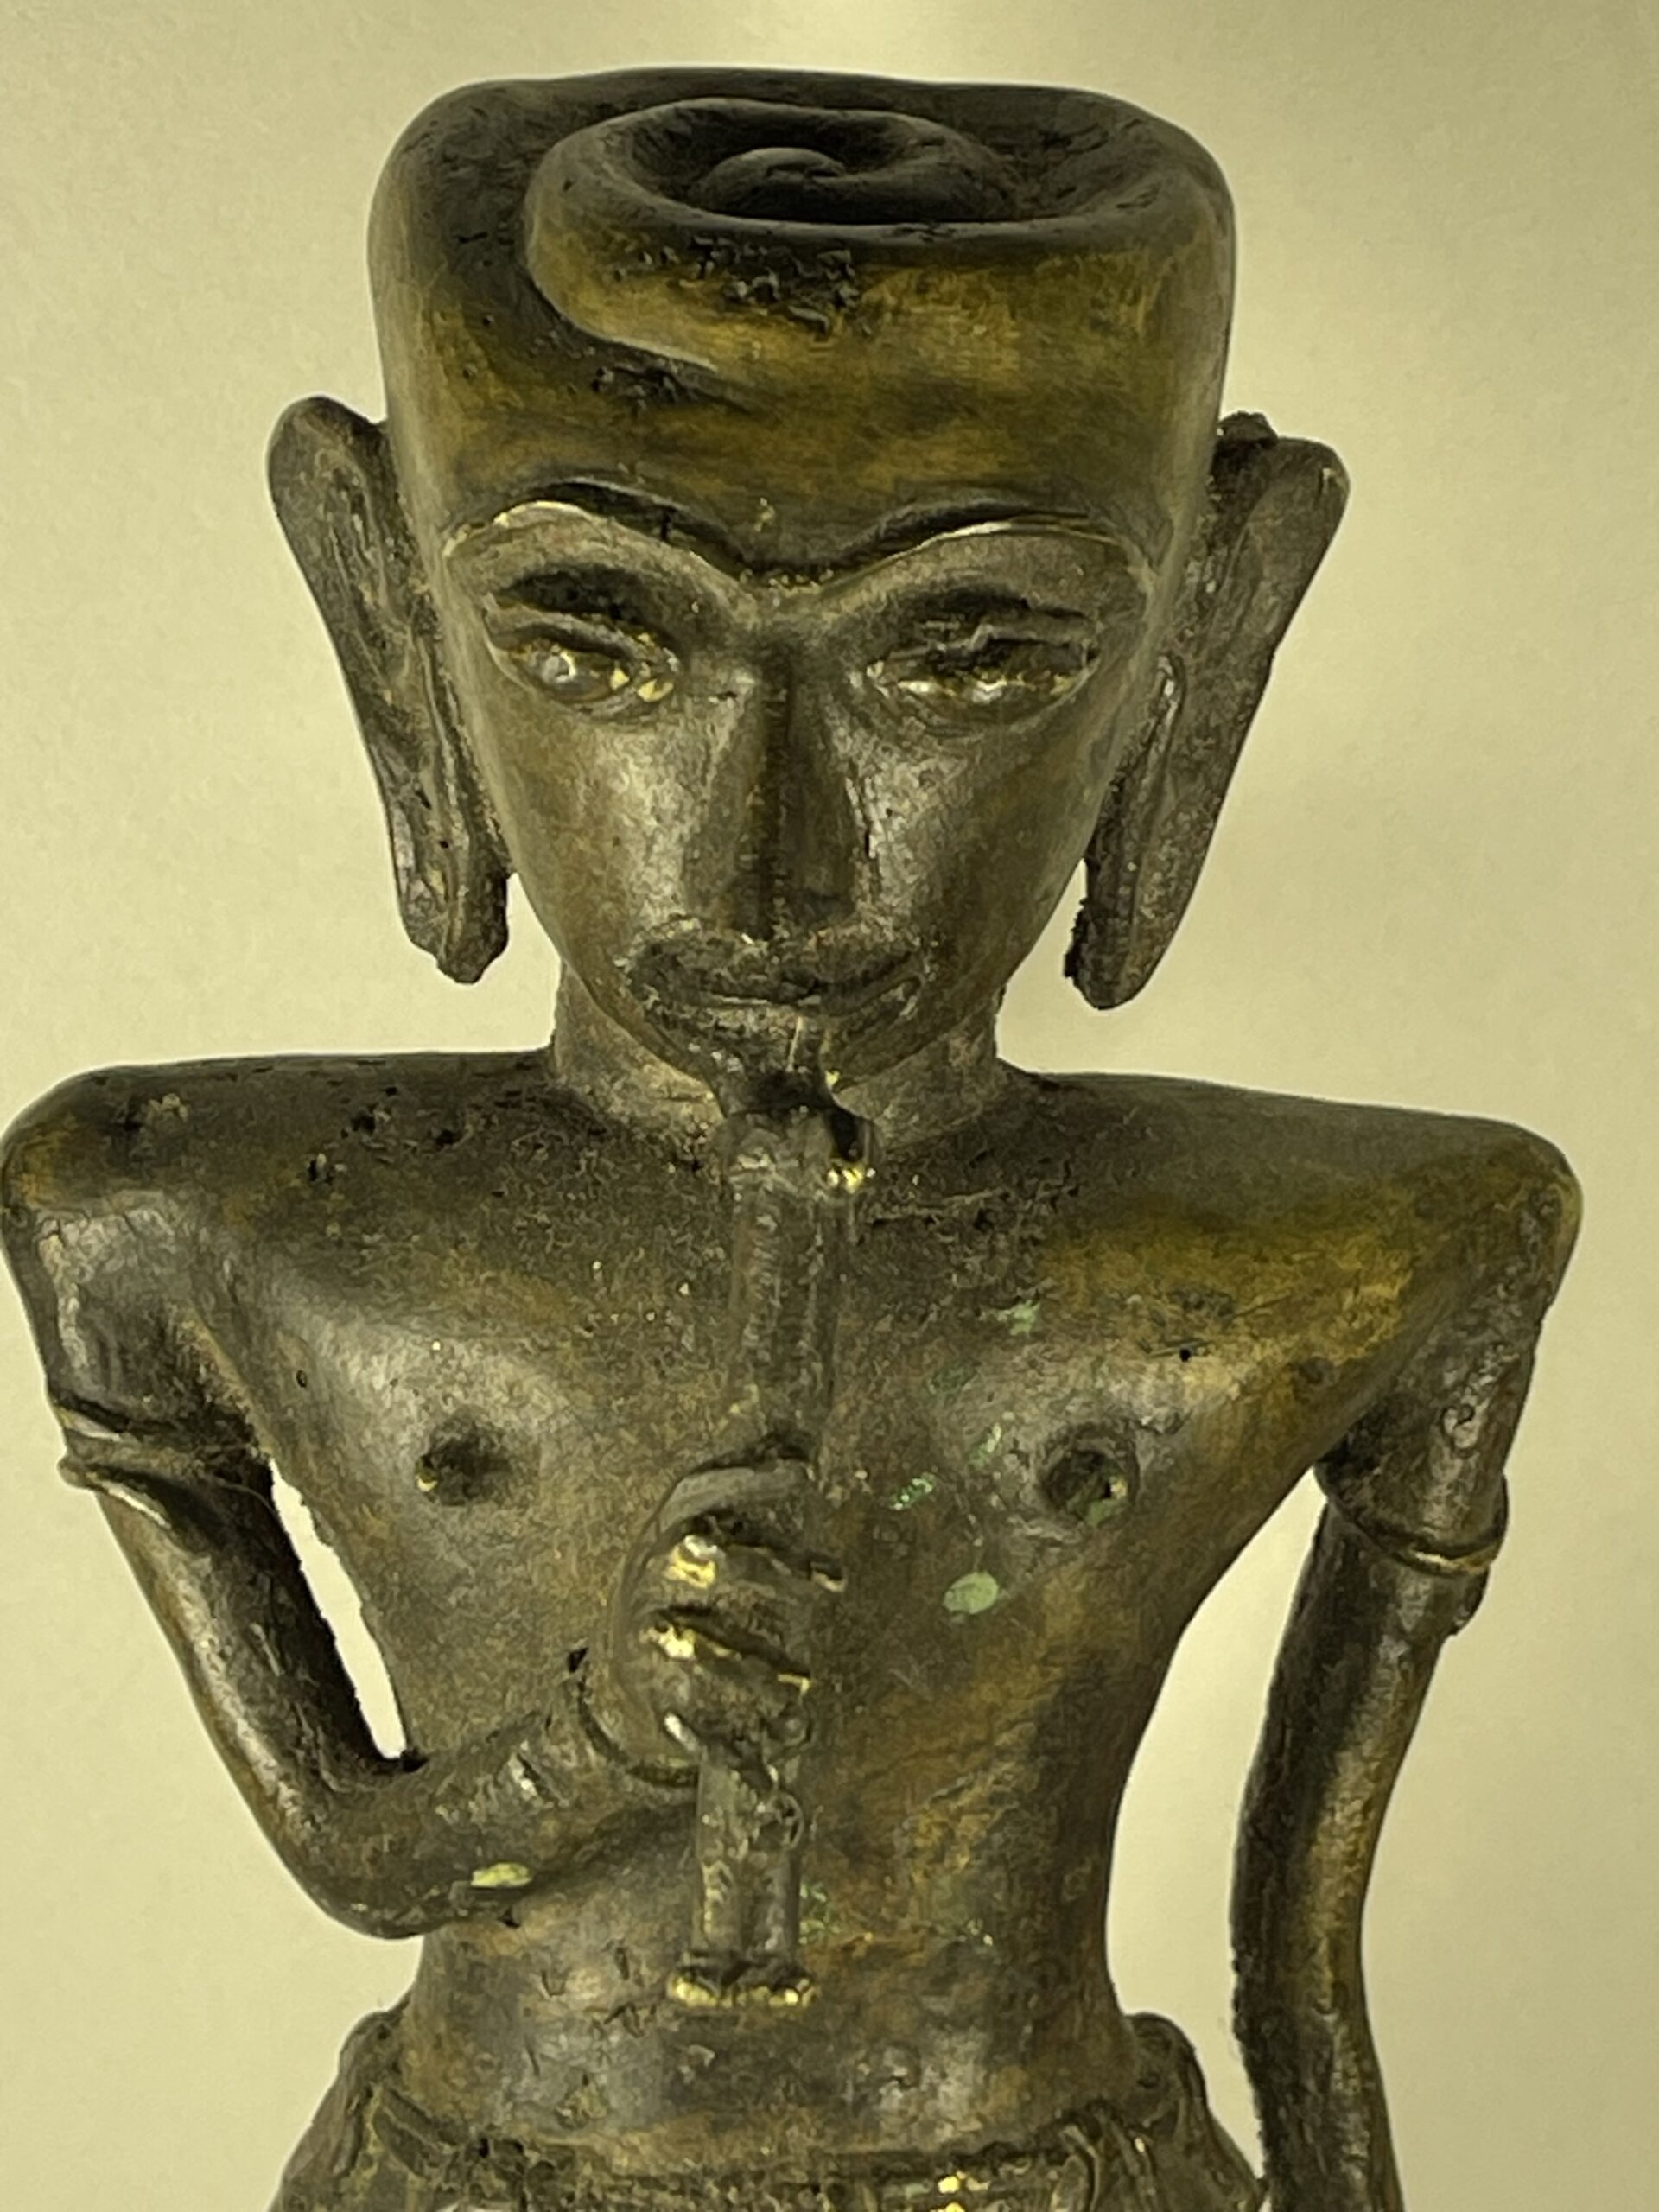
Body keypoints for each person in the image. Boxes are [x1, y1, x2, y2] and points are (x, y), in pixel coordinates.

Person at [0, 68, 1578, 2212]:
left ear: (1207, 633)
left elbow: (1302, 1971)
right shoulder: (168, 1216)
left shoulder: (1372, 1251)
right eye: (597, 638)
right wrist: (604, 1737)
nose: (772, 854)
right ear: (392, 617)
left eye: (966, 654)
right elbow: (358, 1852)